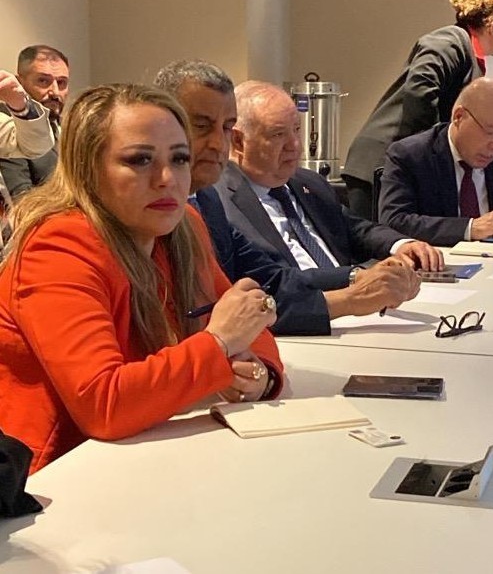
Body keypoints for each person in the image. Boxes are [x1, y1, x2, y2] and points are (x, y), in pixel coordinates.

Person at [0, 83, 284, 474]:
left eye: (179, 158)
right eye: (140, 160)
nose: (167, 178)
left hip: (144, 454)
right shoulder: (58, 246)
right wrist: (219, 345)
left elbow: (247, 325)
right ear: (88, 169)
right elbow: (103, 405)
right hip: (53, 477)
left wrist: (259, 376)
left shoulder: (184, 226)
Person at [153, 60, 422, 334]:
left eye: (226, 127)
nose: (218, 143)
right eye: (201, 126)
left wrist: (355, 283)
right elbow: (216, 312)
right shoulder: (194, 203)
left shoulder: (205, 199)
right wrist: (351, 299)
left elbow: (272, 280)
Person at [215, 80, 444, 273]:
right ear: (238, 141)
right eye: (278, 134)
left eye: (296, 129)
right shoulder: (221, 205)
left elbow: (357, 229)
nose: (295, 145)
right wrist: (354, 280)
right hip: (302, 307)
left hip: (357, 298)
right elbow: (274, 281)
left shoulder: (309, 183)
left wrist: (401, 244)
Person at [342, 0, 493, 219]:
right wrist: (434, 153)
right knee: (377, 239)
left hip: (391, 162)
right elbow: (419, 90)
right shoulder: (450, 42)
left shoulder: (465, 52)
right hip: (380, 162)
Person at [378, 77, 493, 247]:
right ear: (459, 117)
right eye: (489, 132)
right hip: (437, 268)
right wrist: (470, 228)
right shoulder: (411, 156)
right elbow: (394, 221)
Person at [0, 45, 68, 199]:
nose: (55, 92)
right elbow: (21, 198)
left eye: (62, 82)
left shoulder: (68, 128)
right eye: (43, 81)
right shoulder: (9, 123)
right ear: (20, 82)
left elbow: (37, 144)